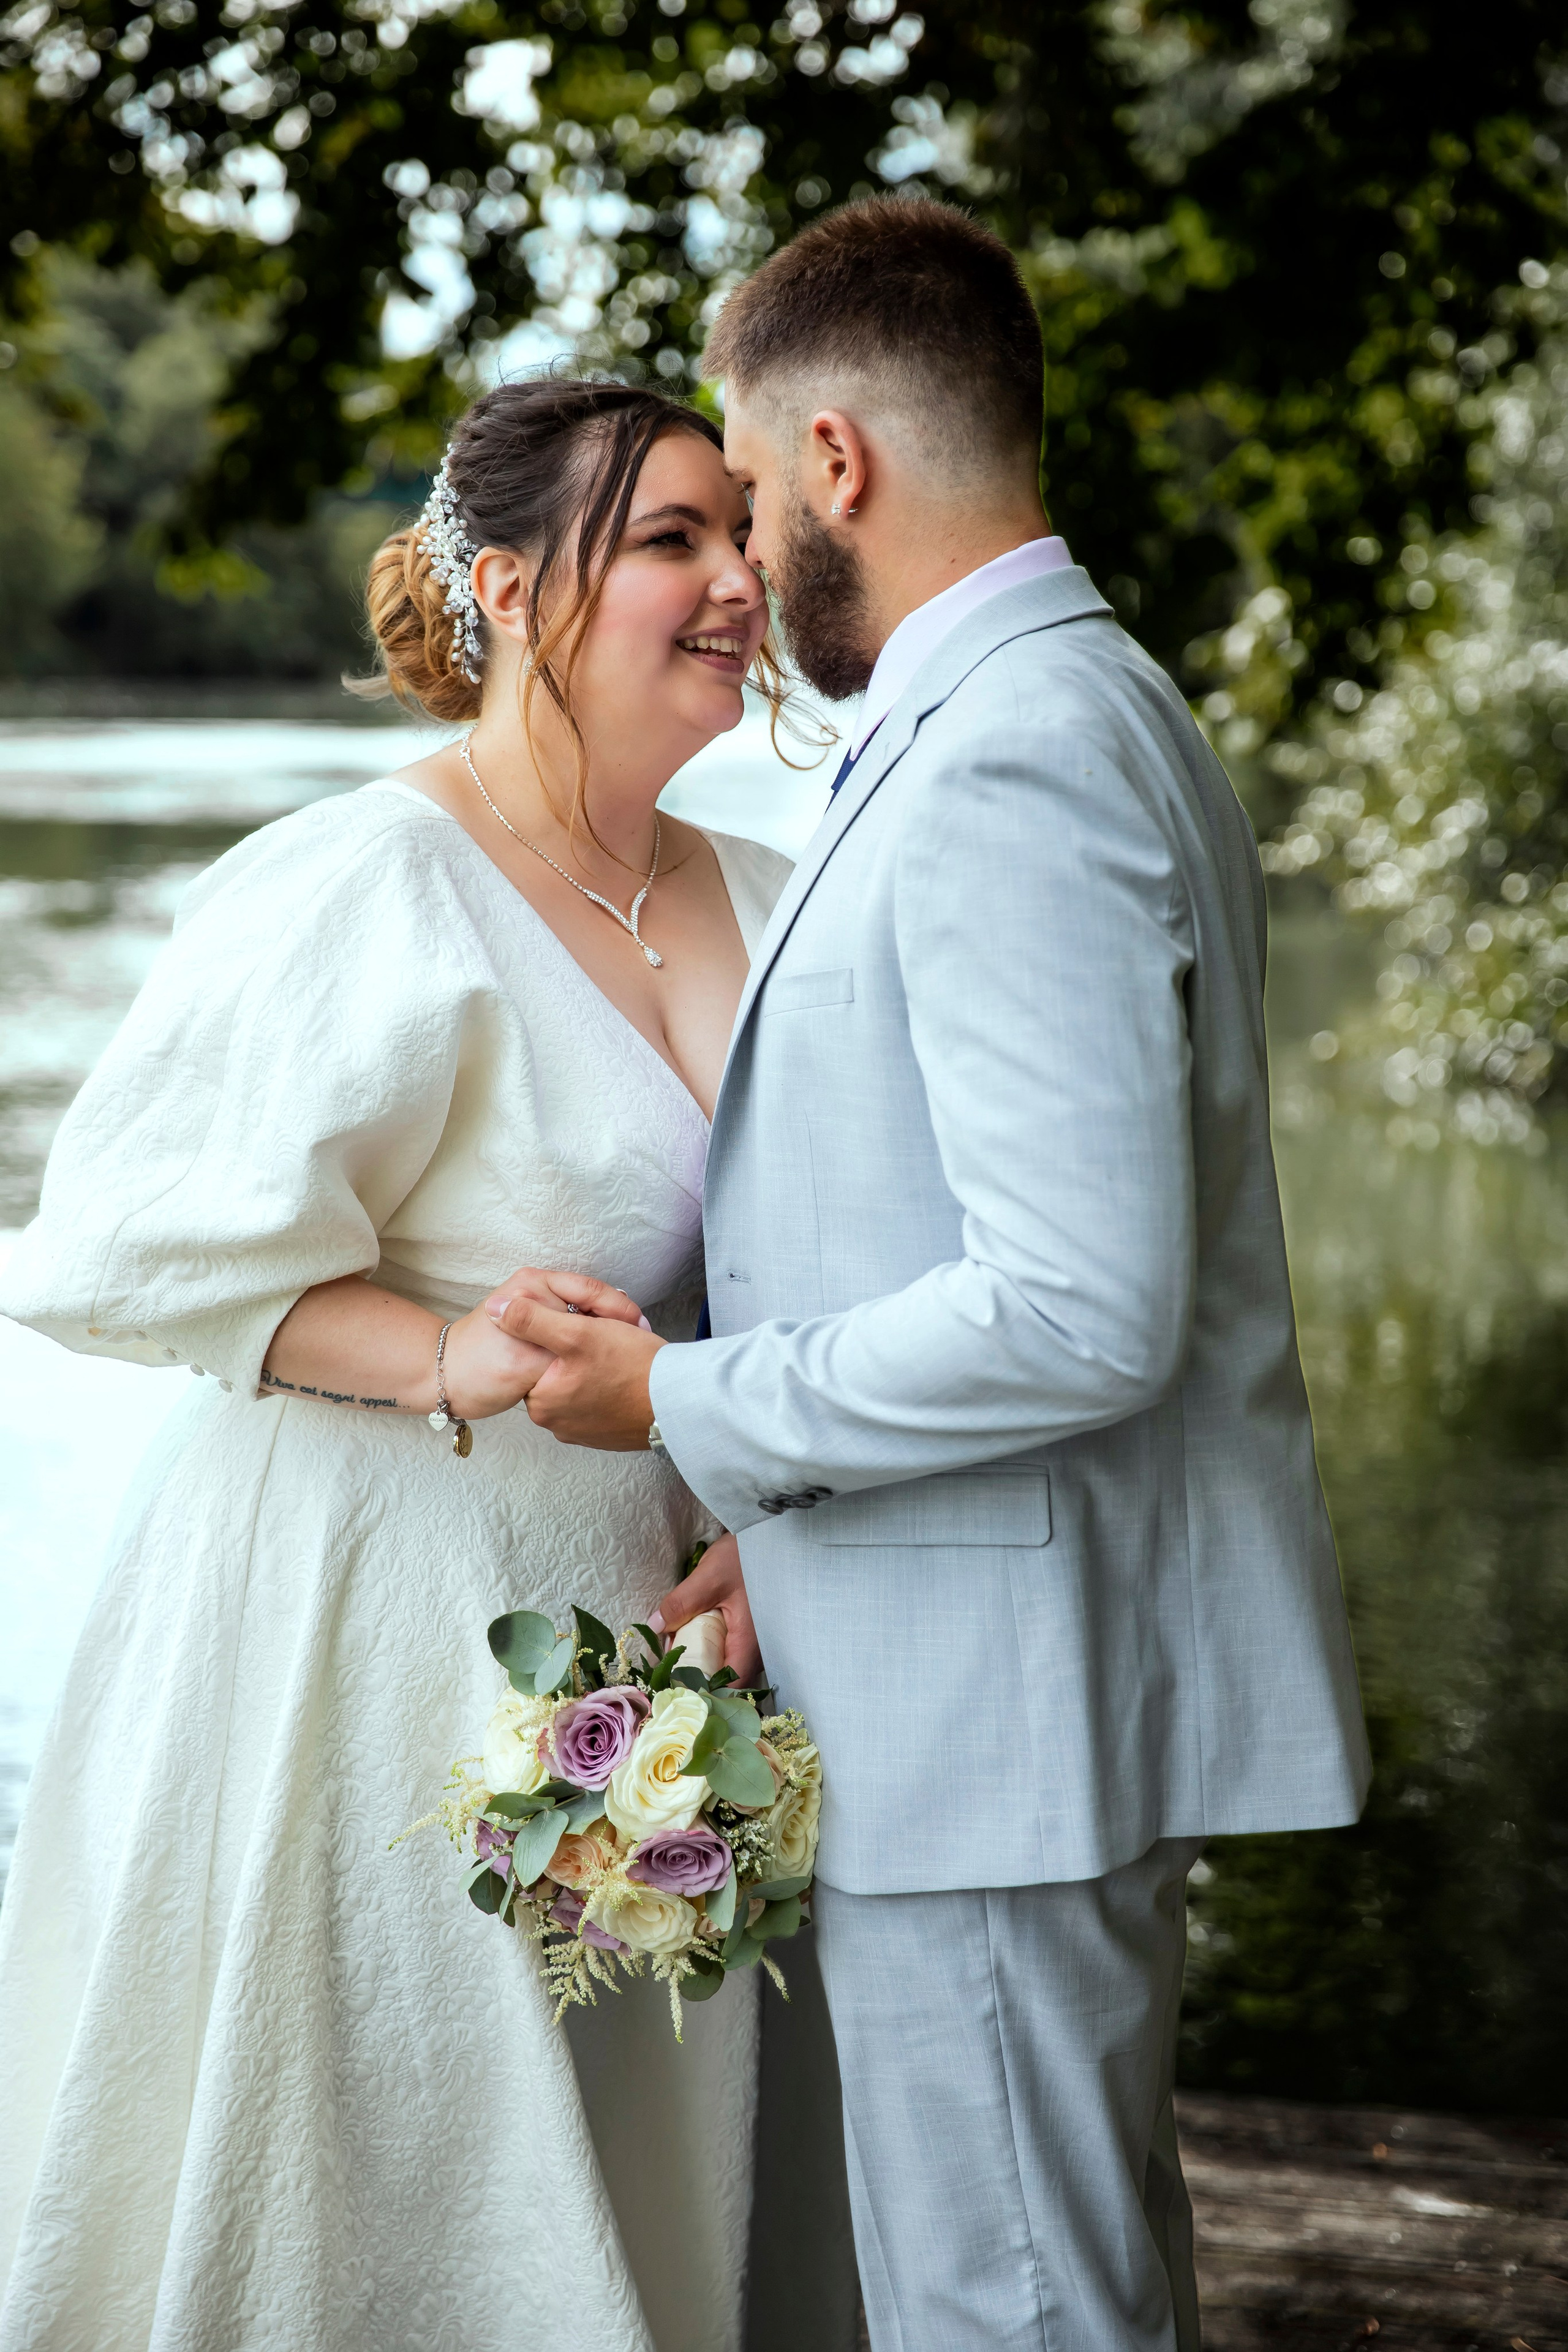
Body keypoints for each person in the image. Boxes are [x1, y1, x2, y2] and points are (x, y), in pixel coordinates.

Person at [486, 197, 1374, 2352]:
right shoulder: (1046, 710)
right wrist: (787, 1540)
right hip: (989, 1667)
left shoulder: (1018, 752)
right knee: (1059, 2280)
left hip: (1008, 1716)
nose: (752, 547)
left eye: (750, 478)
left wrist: (681, 1408)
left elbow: (1078, 1303)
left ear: (837, 465)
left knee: (1014, 2311)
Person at [0, 379, 853, 2352]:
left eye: (742, 534)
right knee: (395, 2170)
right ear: (512, 589)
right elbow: (126, 1253)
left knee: (635, 2179)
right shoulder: (356, 883)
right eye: (672, 540)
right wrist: (453, 1347)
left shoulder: (756, 889)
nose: (742, 579)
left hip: (657, 1650)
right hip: (377, 1628)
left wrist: (754, 1494)